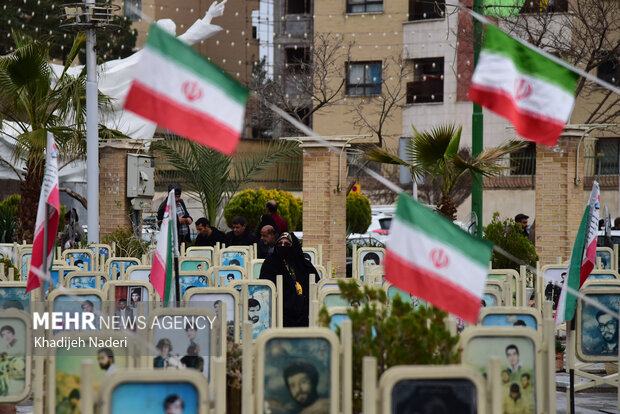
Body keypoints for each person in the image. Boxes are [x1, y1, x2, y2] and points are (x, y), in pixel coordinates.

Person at [259, 232, 319, 327]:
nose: (283, 246)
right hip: (279, 314)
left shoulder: (305, 266)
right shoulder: (270, 264)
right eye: (280, 243)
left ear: (293, 246)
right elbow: (264, 290)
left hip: (305, 315)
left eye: (287, 244)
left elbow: (315, 288)